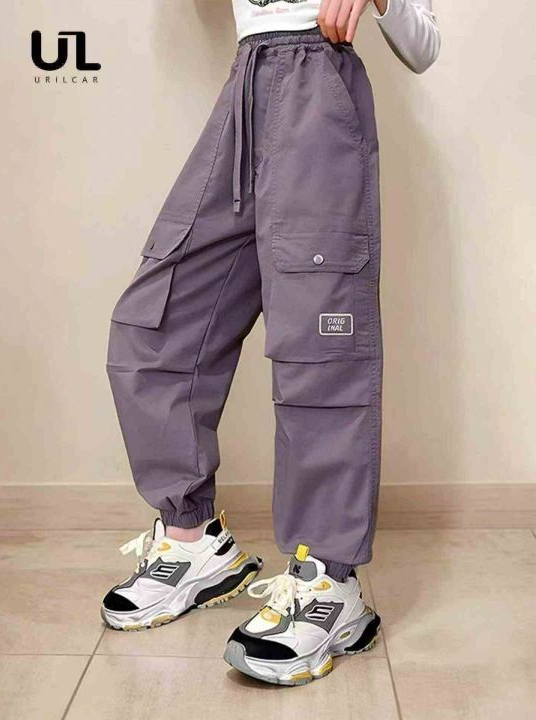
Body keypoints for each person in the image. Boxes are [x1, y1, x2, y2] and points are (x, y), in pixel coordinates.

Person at [102, 0, 440, 685]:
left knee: (318, 346)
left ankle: (328, 584)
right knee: (155, 325)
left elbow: (423, 44)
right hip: (246, 87)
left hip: (321, 92)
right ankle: (193, 542)